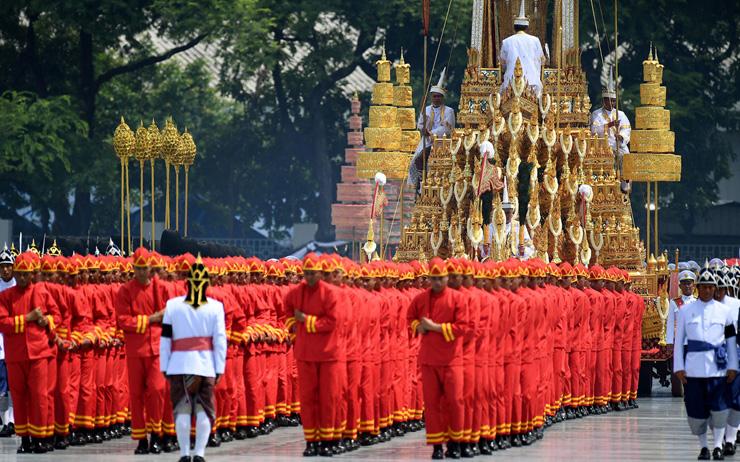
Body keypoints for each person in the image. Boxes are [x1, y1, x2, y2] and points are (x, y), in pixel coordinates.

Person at [160, 254, 227, 462]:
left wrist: (165, 365)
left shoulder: (172, 306)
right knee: (203, 409)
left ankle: (184, 453)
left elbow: (165, 339)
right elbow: (220, 341)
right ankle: (199, 453)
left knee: (182, 408)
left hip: (179, 364)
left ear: (187, 283)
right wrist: (220, 368)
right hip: (205, 364)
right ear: (206, 283)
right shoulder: (216, 307)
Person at [407, 257, 469, 459]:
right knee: (432, 404)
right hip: (429, 360)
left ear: (446, 278)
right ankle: (436, 445)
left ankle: (455, 442)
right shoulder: (420, 299)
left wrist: (435, 328)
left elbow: (462, 327)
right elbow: (410, 318)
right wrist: (419, 327)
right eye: (433, 278)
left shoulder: (457, 299)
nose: (436, 283)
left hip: (451, 360)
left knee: (455, 401)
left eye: (440, 278)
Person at [674, 268, 738, 461]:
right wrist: (678, 367)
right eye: (704, 287)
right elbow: (679, 342)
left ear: (715, 288)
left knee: (719, 409)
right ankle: (703, 446)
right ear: (698, 288)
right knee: (697, 410)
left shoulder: (725, 312)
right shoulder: (686, 311)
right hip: (694, 368)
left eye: (711, 287)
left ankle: (718, 445)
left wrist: (733, 366)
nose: (708, 291)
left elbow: (730, 341)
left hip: (717, 369)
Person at [283, 252, 341, 457]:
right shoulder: (295, 293)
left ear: (320, 273)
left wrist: (305, 321)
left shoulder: (330, 294)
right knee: (307, 399)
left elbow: (332, 322)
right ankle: (311, 440)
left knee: (328, 398)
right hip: (305, 353)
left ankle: (326, 439)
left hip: (327, 354)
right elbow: (288, 312)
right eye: (306, 273)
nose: (309, 277)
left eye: (313, 273)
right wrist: (294, 327)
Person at [114, 247, 170, 454]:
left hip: (156, 348)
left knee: (157, 390)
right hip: (136, 349)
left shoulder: (161, 289)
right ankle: (141, 439)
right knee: (136, 395)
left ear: (150, 268)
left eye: (144, 268)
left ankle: (156, 433)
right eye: (137, 268)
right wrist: (151, 319)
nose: (141, 273)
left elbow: (170, 315)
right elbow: (122, 321)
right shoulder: (125, 291)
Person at [408, 68, 456, 192]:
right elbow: (420, 124)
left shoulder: (449, 111)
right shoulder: (426, 109)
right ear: (431, 97)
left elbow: (446, 128)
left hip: (442, 142)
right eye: (435, 96)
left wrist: (432, 133)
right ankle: (419, 182)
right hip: (426, 140)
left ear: (442, 97)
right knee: (415, 160)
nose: (437, 98)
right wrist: (423, 128)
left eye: (439, 96)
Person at [590, 79, 631, 192]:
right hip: (604, 147)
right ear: (604, 101)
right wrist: (609, 125)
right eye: (610, 101)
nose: (612, 104)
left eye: (614, 101)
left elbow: (627, 129)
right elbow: (594, 130)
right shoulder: (596, 114)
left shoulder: (621, 114)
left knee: (626, 156)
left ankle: (625, 186)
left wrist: (621, 136)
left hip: (619, 145)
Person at [498, 0, 545, 95]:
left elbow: (502, 63)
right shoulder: (535, 40)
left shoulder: (506, 41)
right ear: (527, 27)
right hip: (532, 83)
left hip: (510, 84)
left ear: (515, 26)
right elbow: (541, 61)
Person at [0, 245, 15, 438]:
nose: (5, 269)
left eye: (8, 265)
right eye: (2, 265)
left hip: (13, 342)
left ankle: (11, 421)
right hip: (0, 344)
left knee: (13, 387)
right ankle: (5, 421)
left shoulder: (16, 286)